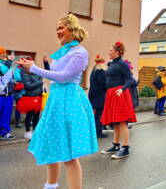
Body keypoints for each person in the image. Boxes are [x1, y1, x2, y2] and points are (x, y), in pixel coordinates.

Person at [17, 14, 98, 189]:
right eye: (57, 28)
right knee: (51, 145)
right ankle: (50, 185)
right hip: (56, 100)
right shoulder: (64, 52)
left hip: (69, 100)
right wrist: (33, 66)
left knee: (69, 154)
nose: (58, 32)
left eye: (61, 27)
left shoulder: (80, 52)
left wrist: (35, 69)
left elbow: (64, 77)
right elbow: (54, 75)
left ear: (72, 28)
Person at [101, 42, 137, 158]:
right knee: (114, 121)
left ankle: (125, 148)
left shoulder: (122, 64)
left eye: (110, 50)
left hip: (119, 93)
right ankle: (116, 145)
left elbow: (130, 80)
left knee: (122, 121)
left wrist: (122, 89)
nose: (108, 52)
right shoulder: (112, 64)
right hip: (111, 93)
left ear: (117, 52)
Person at [20, 58, 43, 139]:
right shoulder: (23, 72)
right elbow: (28, 86)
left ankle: (35, 132)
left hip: (38, 96)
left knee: (37, 116)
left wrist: (39, 82)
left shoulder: (36, 71)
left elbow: (40, 79)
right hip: (30, 97)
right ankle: (27, 132)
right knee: (29, 115)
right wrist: (40, 82)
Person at [88, 55, 108, 138]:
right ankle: (98, 132)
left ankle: (96, 131)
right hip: (99, 96)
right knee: (99, 114)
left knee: (96, 114)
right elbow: (103, 84)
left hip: (93, 95)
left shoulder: (94, 70)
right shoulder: (101, 71)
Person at [0, 49, 17, 140]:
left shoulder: (8, 65)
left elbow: (14, 77)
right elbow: (2, 70)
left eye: (4, 53)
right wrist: (9, 61)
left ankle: (5, 133)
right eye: (1, 53)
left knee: (6, 115)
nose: (4, 55)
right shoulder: (6, 64)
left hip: (8, 95)